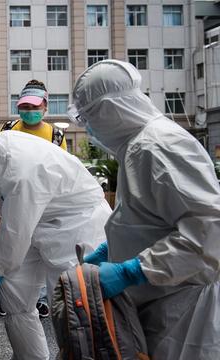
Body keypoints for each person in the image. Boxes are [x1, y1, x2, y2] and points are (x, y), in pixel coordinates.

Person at [69, 59, 220, 359]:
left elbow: (209, 231)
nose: (90, 129)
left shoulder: (158, 145)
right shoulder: (138, 146)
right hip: (163, 300)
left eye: (89, 119)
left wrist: (132, 269)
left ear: (110, 110)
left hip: (185, 309)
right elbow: (148, 219)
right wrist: (113, 249)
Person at [0, 113, 112, 360]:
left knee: (70, 304)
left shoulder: (21, 172)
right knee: (14, 290)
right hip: (40, 220)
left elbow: (14, 235)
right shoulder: (3, 142)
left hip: (76, 225)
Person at [0, 79, 67, 318]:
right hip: (12, 200)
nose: (29, 112)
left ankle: (41, 299)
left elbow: (62, 169)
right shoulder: (8, 129)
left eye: (35, 107)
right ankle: (8, 297)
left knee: (42, 250)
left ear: (45, 107)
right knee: (11, 248)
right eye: (25, 107)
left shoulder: (56, 135)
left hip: (45, 204)